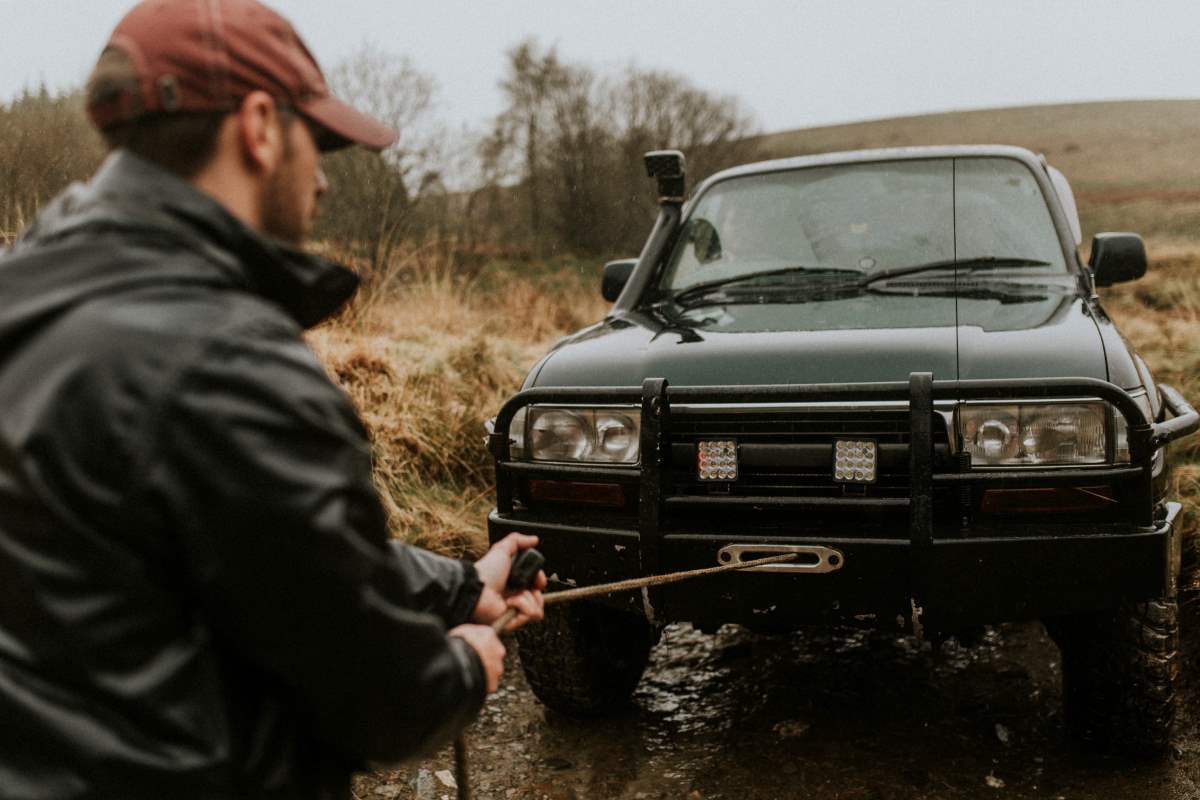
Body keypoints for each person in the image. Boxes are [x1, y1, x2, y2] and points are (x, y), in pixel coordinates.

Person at [0, 1, 544, 797]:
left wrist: (464, 583)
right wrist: (467, 662)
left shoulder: (24, 306)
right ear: (258, 126)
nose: (322, 179)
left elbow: (264, 547)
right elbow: (382, 702)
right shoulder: (227, 361)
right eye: (314, 141)